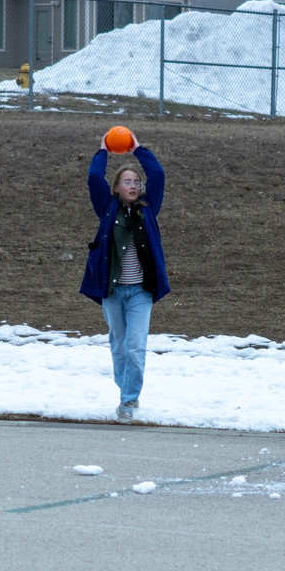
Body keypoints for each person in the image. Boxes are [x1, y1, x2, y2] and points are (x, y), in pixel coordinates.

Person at [80, 129, 170, 424]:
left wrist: (138, 147)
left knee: (135, 347)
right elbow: (94, 178)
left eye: (136, 182)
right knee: (119, 347)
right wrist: (102, 150)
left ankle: (128, 401)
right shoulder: (106, 208)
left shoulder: (148, 209)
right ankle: (127, 390)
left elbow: (157, 174)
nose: (133, 185)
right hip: (113, 291)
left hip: (141, 293)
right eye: (127, 181)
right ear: (117, 187)